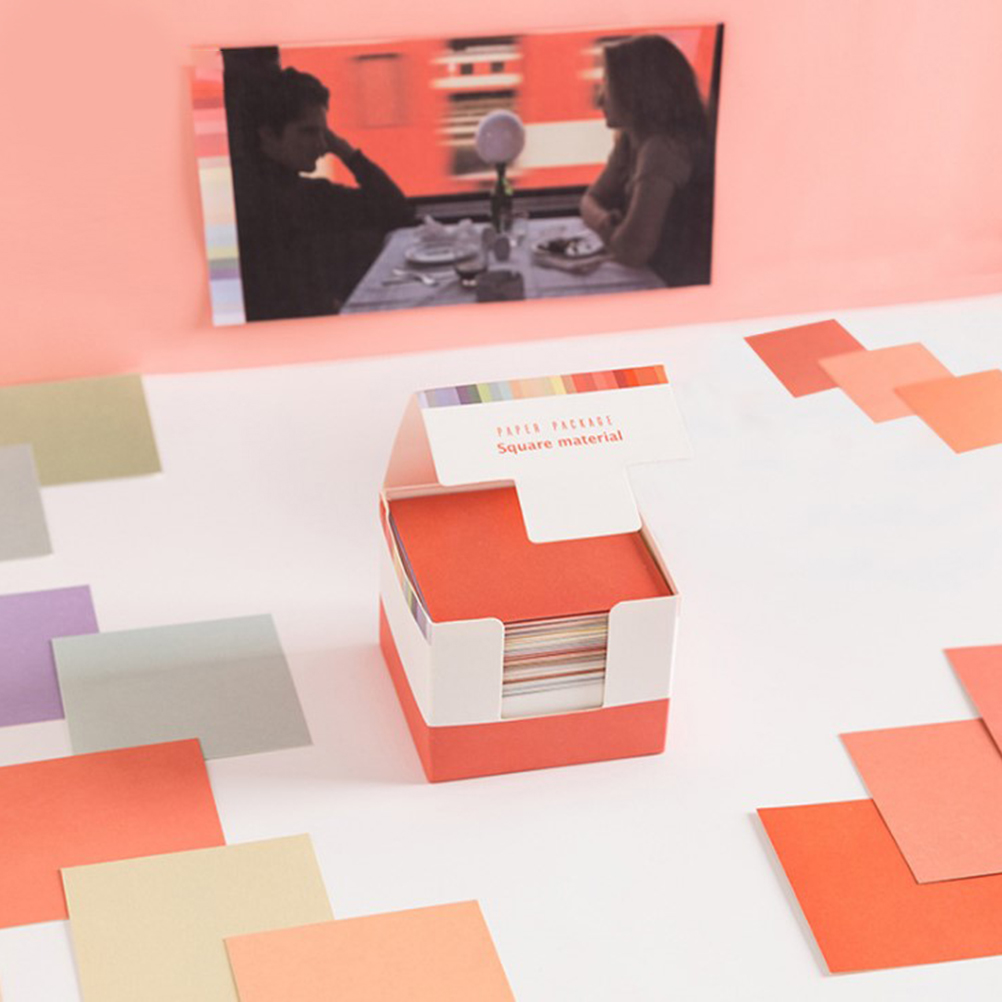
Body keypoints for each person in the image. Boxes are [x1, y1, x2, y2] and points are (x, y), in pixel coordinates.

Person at [229, 66, 414, 321]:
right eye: (309, 132)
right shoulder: (295, 200)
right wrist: (346, 152)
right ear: (268, 136)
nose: (322, 144)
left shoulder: (261, 190)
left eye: (325, 134)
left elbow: (396, 212)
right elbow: (396, 210)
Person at [580, 35, 713, 287]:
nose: (599, 99)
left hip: (676, 288)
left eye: (608, 85)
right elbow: (591, 199)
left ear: (637, 92)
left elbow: (632, 251)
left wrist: (607, 228)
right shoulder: (632, 140)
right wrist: (606, 222)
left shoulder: (663, 150)